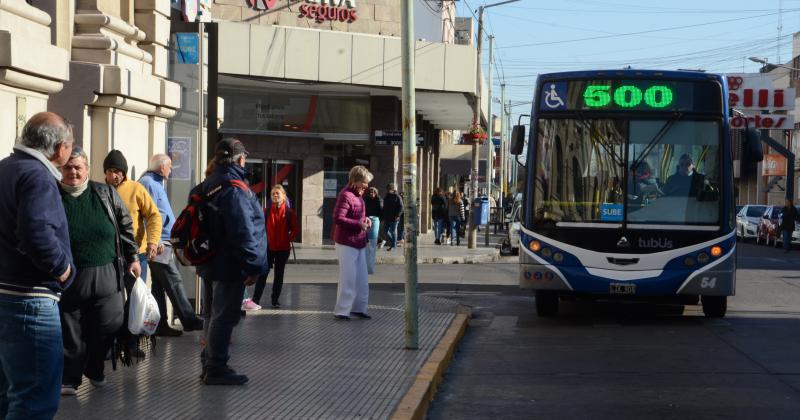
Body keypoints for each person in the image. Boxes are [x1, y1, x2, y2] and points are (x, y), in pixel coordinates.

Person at [0, 112, 76, 419]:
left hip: (8, 295)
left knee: (9, 395)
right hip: (29, 300)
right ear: (60, 148)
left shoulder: (6, 168)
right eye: (71, 145)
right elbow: (36, 233)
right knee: (34, 399)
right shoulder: (37, 176)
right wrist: (63, 269)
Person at [58, 147, 140, 395]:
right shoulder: (52, 194)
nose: (73, 171)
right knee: (70, 329)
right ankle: (70, 378)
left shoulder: (104, 192)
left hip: (106, 271)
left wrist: (133, 257)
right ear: (61, 169)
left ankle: (95, 367)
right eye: (68, 167)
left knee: (110, 322)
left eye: (78, 167)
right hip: (69, 273)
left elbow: (125, 225)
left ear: (87, 169)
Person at [197, 138, 267, 385]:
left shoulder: (209, 184)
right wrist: (253, 266)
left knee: (212, 315)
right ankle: (216, 367)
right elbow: (243, 231)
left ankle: (209, 362)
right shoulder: (235, 188)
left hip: (209, 261)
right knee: (224, 317)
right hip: (228, 264)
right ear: (240, 159)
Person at [139, 154, 204, 335]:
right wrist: (156, 240)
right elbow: (146, 215)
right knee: (173, 280)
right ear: (161, 168)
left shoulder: (154, 182)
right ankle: (189, 320)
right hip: (159, 243)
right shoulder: (149, 183)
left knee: (159, 285)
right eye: (169, 166)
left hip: (162, 241)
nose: (170, 170)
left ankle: (160, 326)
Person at [103, 150, 162, 285]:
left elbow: (154, 216)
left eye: (119, 171)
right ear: (105, 172)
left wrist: (152, 241)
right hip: (109, 255)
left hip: (135, 255)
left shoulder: (136, 189)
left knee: (135, 299)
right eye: (110, 171)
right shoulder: (100, 190)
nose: (115, 175)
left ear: (124, 173)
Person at [332, 165, 373, 321]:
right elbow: (338, 218)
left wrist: (365, 220)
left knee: (362, 278)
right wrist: (359, 224)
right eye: (364, 182)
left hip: (358, 240)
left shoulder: (358, 194)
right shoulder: (346, 195)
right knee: (348, 277)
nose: (367, 185)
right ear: (355, 180)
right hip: (346, 242)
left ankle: (358, 308)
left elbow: (358, 215)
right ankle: (342, 310)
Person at [250, 185, 299, 308]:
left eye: (277, 193)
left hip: (283, 249)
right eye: (273, 194)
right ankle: (255, 300)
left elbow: (295, 229)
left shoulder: (289, 212)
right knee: (262, 274)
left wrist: (288, 238)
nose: (275, 196)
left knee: (279, 275)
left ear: (283, 196)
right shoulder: (265, 211)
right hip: (268, 249)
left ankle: (275, 300)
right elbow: (259, 227)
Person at [364, 187, 382, 274]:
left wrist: (379, 219)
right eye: (370, 192)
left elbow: (381, 211)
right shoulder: (367, 200)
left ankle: (370, 268)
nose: (371, 194)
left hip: (375, 221)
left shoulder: (378, 200)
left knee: (372, 243)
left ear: (376, 193)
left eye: (373, 192)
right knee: (367, 245)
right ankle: (367, 267)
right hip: (367, 221)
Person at [382, 183, 403, 251]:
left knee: (393, 231)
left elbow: (401, 207)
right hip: (387, 217)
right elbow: (384, 207)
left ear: (393, 189)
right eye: (387, 189)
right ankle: (394, 242)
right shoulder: (386, 196)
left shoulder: (397, 197)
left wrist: (398, 215)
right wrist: (383, 216)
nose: (388, 191)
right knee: (385, 231)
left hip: (394, 217)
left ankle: (393, 245)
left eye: (390, 189)